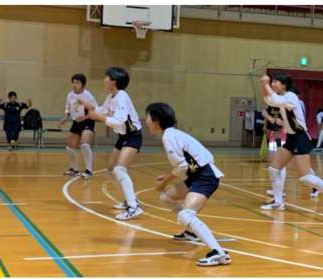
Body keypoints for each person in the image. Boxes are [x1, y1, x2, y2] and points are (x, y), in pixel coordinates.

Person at [145, 102, 230, 267]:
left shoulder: (169, 137)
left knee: (186, 215)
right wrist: (167, 178)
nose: (146, 121)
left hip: (205, 176)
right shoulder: (171, 134)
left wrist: (165, 182)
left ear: (156, 120)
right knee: (166, 197)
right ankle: (191, 232)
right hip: (196, 175)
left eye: (148, 117)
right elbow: (183, 166)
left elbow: (182, 167)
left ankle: (219, 253)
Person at [259, 73, 323, 216]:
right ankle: (278, 202)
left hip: (300, 137)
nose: (273, 84)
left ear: (284, 84)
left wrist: (266, 84)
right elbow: (268, 100)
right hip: (291, 138)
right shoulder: (282, 97)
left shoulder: (291, 96)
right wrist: (263, 85)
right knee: (274, 169)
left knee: (305, 177)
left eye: (276, 82)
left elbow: (276, 100)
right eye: (272, 82)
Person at [81, 67, 143, 220]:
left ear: (113, 81)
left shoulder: (122, 96)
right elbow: (102, 110)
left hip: (133, 136)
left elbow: (119, 121)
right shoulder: (111, 97)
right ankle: (129, 200)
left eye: (106, 77)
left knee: (119, 169)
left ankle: (134, 207)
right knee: (110, 170)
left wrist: (99, 117)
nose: (104, 79)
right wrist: (91, 108)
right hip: (123, 137)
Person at [60, 73, 97, 179]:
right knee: (70, 147)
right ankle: (75, 169)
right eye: (73, 82)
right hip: (76, 122)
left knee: (84, 144)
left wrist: (84, 118)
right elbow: (68, 108)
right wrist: (65, 117)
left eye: (77, 83)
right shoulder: (70, 95)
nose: (74, 85)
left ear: (83, 85)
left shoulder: (88, 95)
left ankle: (89, 170)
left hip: (88, 121)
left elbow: (94, 110)